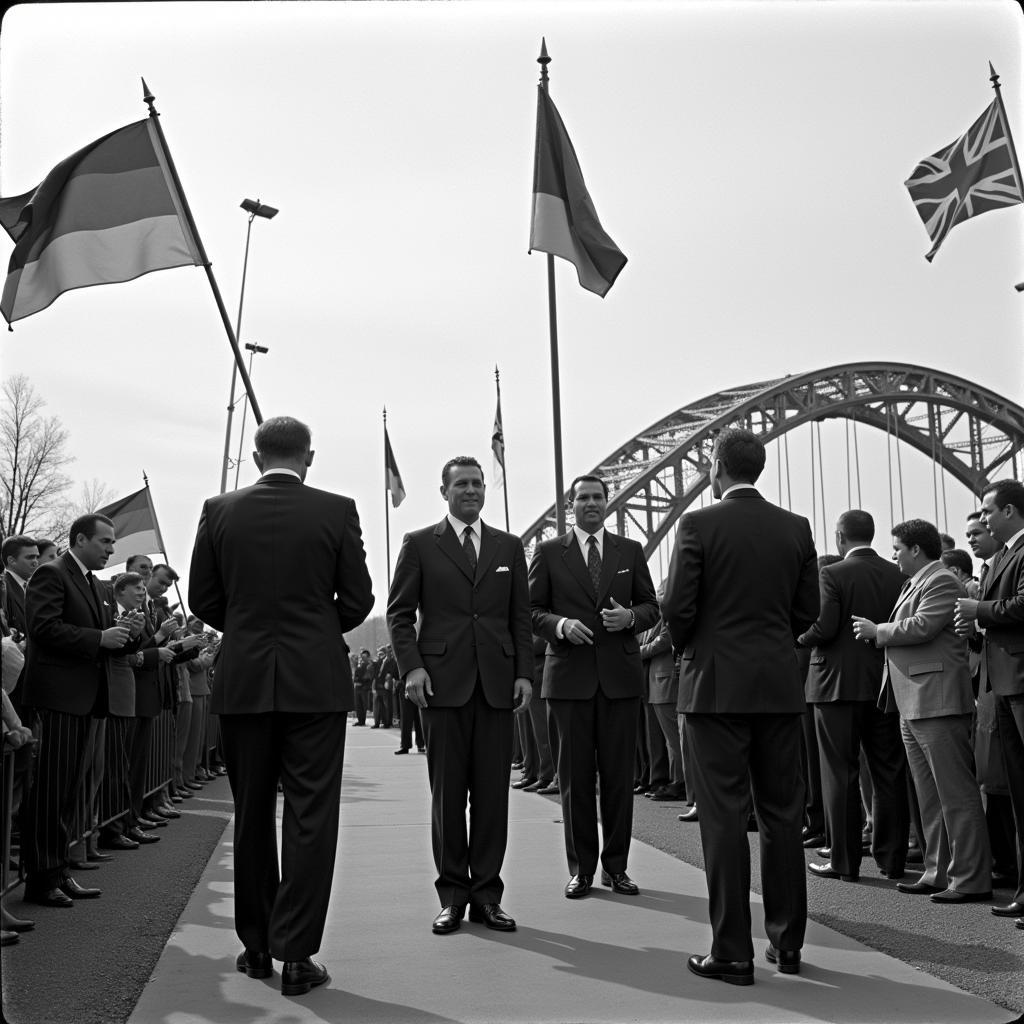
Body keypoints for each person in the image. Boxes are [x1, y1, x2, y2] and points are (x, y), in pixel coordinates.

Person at [189, 415, 373, 996]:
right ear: (309, 457)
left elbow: (203, 598)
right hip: (314, 681)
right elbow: (360, 598)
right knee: (310, 815)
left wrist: (248, 628)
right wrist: (317, 629)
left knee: (251, 815)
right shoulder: (337, 509)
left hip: (244, 679)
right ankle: (297, 954)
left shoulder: (218, 510)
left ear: (253, 456)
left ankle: (256, 946)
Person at [661, 428, 819, 985]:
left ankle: (731, 951)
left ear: (715, 467)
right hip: (777, 687)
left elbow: (678, 606)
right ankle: (788, 944)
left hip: (713, 690)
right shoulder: (796, 528)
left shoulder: (698, 524)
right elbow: (808, 613)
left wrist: (693, 648)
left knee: (723, 819)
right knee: (781, 816)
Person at [387, 456, 533, 936]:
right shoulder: (419, 544)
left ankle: (488, 896)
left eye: (477, 483)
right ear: (444, 490)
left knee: (493, 797)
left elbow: (519, 618)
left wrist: (524, 675)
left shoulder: (509, 547)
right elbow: (400, 614)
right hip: (442, 688)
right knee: (448, 798)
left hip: (496, 686)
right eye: (461, 484)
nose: (471, 490)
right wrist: (412, 668)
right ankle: (452, 895)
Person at [529, 474, 659, 901]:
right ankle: (581, 869)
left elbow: (651, 606)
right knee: (575, 780)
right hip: (568, 681)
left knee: (620, 780)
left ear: (608, 502)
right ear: (571, 504)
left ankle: (616, 868)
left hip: (619, 682)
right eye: (583, 497)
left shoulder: (630, 550)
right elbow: (530, 611)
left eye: (598, 497)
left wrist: (632, 619)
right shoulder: (548, 553)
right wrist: (560, 625)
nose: (591, 503)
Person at [854, 518, 991, 904]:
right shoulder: (915, 582)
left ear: (916, 549)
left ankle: (970, 878)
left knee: (956, 794)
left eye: (897, 548)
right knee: (929, 796)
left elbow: (924, 625)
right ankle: (937, 870)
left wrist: (877, 630)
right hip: (913, 700)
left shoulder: (942, 580)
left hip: (937, 699)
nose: (893, 554)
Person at [20, 514, 140, 907]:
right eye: (105, 542)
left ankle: (58, 870)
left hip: (86, 699)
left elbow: (105, 642)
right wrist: (99, 637)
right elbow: (43, 628)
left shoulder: (94, 583)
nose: (111, 549)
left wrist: (127, 635)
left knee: (69, 791)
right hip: (59, 698)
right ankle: (41, 879)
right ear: (81, 539)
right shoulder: (52, 574)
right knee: (51, 792)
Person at [800, 510, 909, 884]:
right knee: (889, 771)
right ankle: (892, 859)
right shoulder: (898, 574)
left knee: (839, 774)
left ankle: (844, 863)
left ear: (839, 537)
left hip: (834, 687)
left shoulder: (832, 574)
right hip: (884, 684)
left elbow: (825, 627)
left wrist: (797, 635)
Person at [955, 480, 1024, 923]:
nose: (982, 519)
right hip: (1003, 682)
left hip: (1019, 681)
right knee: (1018, 792)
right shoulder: (1001, 555)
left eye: (987, 511)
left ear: (1011, 511)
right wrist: (978, 628)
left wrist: (979, 612)